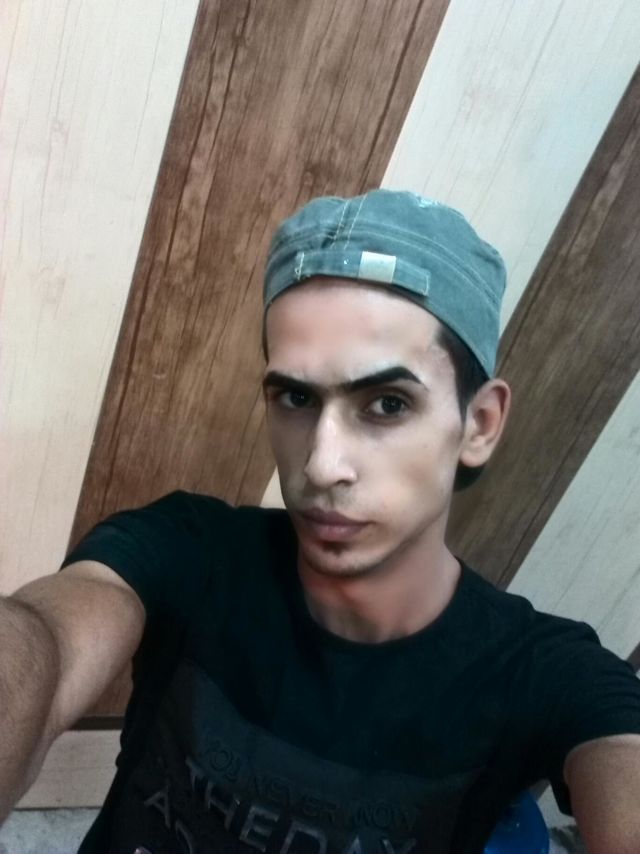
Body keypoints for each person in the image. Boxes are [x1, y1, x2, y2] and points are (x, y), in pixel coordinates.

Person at [1, 190, 639, 854]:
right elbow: (48, 637)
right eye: (296, 397)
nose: (321, 464)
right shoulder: (188, 551)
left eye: (387, 403)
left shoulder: (544, 672)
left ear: (478, 424)